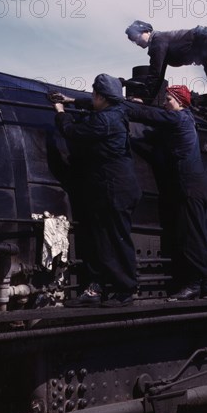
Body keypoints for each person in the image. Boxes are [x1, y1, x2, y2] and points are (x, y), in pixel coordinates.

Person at [52, 74, 141, 307]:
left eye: (94, 94)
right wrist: (72, 100)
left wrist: (60, 111)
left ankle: (125, 290)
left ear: (101, 96)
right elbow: (92, 104)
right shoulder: (118, 110)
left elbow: (72, 132)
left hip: (114, 187)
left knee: (116, 239)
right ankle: (95, 289)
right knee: (99, 239)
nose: (92, 97)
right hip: (106, 187)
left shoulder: (104, 121)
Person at [125, 85, 207, 300]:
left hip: (188, 187)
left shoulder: (179, 119)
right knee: (202, 235)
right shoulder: (186, 121)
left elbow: (149, 115)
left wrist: (125, 105)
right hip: (198, 186)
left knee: (190, 236)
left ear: (180, 102)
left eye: (168, 99)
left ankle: (193, 284)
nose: (165, 103)